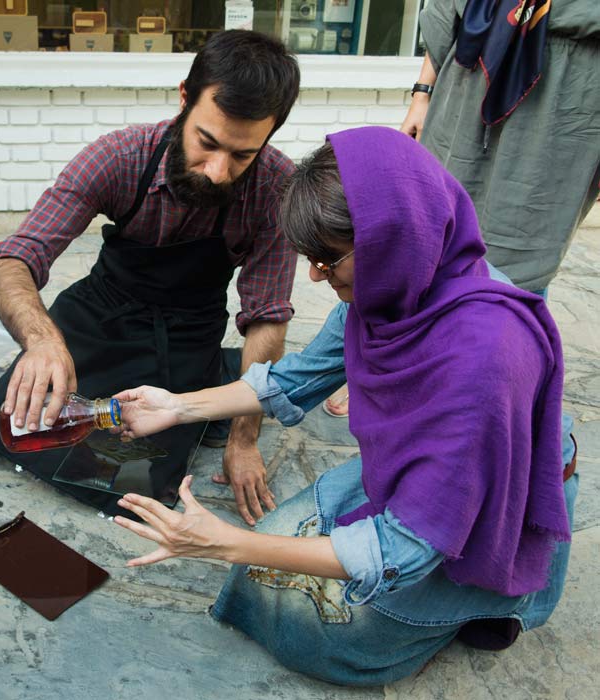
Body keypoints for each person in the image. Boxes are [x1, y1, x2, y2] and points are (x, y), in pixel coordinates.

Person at [111, 127, 578, 686]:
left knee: (319, 630)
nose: (314, 275)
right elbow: (296, 378)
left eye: (328, 259)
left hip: (491, 500)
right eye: (311, 257)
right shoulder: (397, 281)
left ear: (394, 236)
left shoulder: (485, 354)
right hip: (425, 467)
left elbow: (407, 544)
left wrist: (225, 543)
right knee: (262, 576)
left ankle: (480, 606)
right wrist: (177, 406)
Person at [0, 30, 301, 524]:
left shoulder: (275, 189)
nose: (218, 171)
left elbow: (267, 317)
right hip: (101, 313)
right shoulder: (119, 157)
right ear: (184, 98)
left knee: (138, 478)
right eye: (207, 142)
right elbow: (14, 259)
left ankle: (216, 376)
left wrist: (244, 439)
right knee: (8, 424)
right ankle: (222, 375)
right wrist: (43, 342)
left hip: (187, 330)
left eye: (242, 155)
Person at [400, 0, 600, 294]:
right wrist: (422, 94)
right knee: (426, 234)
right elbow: (446, 9)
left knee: (518, 261)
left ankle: (505, 319)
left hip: (566, 98)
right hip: (467, 81)